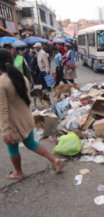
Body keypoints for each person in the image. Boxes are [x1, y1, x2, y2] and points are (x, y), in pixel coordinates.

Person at [0, 49, 62, 180]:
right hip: (27, 119)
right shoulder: (21, 77)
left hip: (13, 123)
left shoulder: (2, 82)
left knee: (12, 149)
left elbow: (3, 109)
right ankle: (54, 160)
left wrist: (5, 130)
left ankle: (18, 172)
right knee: (31, 143)